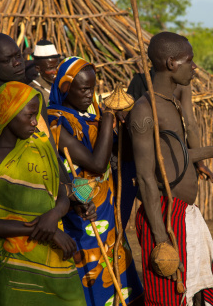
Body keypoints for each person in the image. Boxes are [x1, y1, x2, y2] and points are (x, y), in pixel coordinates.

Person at [129, 31, 213, 306]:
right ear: (172, 63)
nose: (194, 67)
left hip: (184, 214)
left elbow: (173, 158)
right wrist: (162, 240)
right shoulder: (144, 110)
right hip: (163, 215)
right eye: (190, 61)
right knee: (169, 297)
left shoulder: (169, 102)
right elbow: (146, 177)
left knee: (196, 293)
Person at [0, 81, 86, 306]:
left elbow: (62, 193)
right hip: (15, 267)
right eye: (29, 116)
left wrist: (54, 215)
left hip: (54, 259)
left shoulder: (41, 147)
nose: (35, 123)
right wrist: (46, 230)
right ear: (8, 113)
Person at [47, 57, 144, 306]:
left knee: (115, 254)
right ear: (66, 88)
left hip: (106, 207)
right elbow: (97, 164)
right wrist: (109, 119)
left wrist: (121, 125)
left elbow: (119, 155)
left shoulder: (89, 117)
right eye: (83, 89)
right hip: (80, 205)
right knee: (90, 261)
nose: (90, 95)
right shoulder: (56, 121)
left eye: (92, 88)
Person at [128, 70, 213, 181]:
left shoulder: (138, 80)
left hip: (145, 161)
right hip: (174, 160)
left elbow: (128, 118)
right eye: (188, 60)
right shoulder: (181, 84)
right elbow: (190, 126)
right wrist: (200, 163)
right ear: (171, 62)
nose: (193, 66)